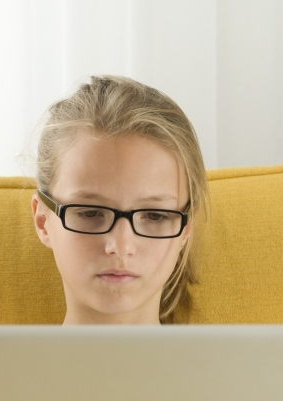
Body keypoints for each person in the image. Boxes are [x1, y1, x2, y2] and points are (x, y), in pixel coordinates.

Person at [31, 75, 210, 325]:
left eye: (154, 215)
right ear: (42, 220)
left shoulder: (241, 364)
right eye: (90, 213)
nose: (121, 245)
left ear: (186, 228)